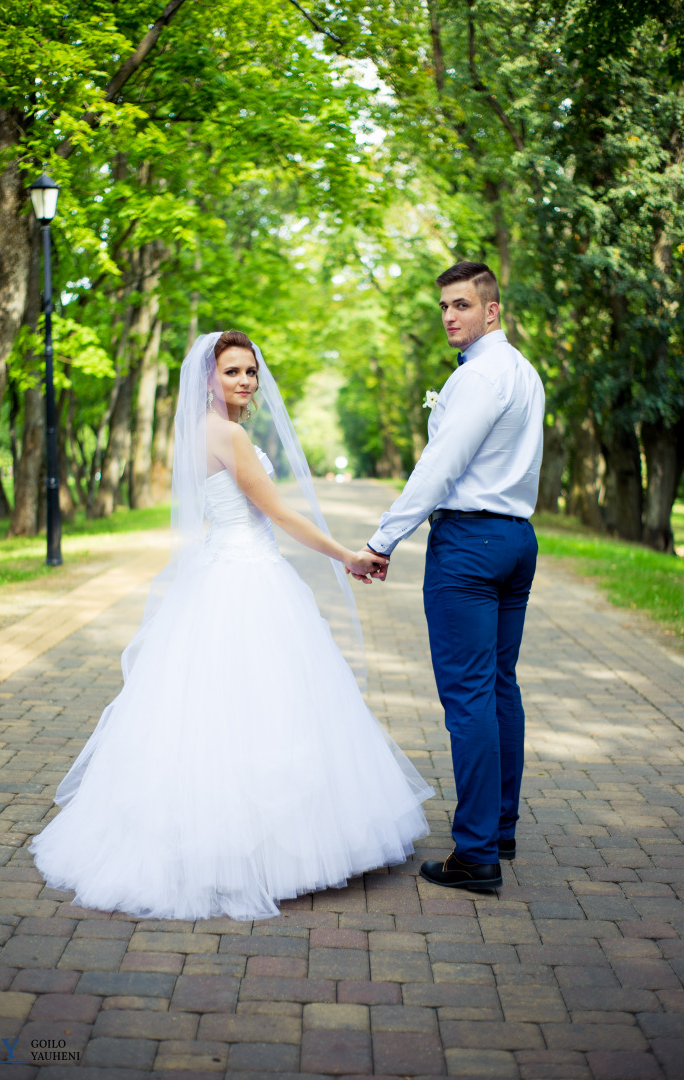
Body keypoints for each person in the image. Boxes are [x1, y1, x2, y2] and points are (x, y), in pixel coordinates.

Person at [30, 330, 433, 921]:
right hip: (247, 577)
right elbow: (280, 514)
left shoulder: (200, 432)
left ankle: (203, 838)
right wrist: (346, 555)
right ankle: (262, 853)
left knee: (207, 711)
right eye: (232, 372)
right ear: (209, 380)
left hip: (219, 573)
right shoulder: (230, 434)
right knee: (264, 706)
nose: (245, 381)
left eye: (250, 371)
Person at [357, 262, 545, 891]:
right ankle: (501, 827)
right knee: (498, 688)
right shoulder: (523, 371)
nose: (449, 316)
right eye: (443, 306)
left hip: (470, 543)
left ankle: (476, 855)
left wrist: (384, 538)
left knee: (469, 697)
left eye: (461, 305)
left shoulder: (480, 377)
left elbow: (440, 466)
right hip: (518, 538)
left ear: (492, 310)